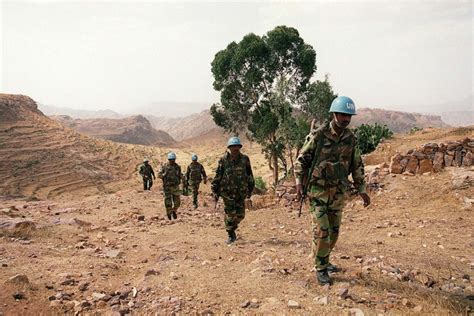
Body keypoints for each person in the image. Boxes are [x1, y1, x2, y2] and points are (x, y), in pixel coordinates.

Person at [294, 96, 371, 285]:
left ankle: (324, 260)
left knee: (334, 231)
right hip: (318, 191)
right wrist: (298, 183)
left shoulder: (350, 139)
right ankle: (320, 268)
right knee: (322, 230)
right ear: (334, 114)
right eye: (343, 115)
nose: (346, 119)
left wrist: (362, 189)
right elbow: (301, 160)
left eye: (349, 116)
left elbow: (356, 164)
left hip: (338, 192)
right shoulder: (319, 135)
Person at [211, 137, 254, 244]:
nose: (235, 148)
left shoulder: (245, 159)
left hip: (241, 192)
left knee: (240, 215)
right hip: (227, 193)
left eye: (237, 146)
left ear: (239, 147)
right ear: (229, 148)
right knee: (231, 214)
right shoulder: (223, 160)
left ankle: (231, 226)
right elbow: (218, 175)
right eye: (233, 146)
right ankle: (231, 234)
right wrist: (215, 189)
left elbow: (249, 175)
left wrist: (250, 189)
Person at [158, 152, 183, 220]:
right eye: (170, 159)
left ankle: (174, 211)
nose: (172, 161)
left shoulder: (177, 167)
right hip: (167, 187)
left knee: (177, 202)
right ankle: (169, 213)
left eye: (173, 159)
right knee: (168, 202)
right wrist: (164, 175)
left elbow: (180, 175)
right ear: (168, 159)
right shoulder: (164, 167)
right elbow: (159, 175)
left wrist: (183, 179)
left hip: (175, 187)